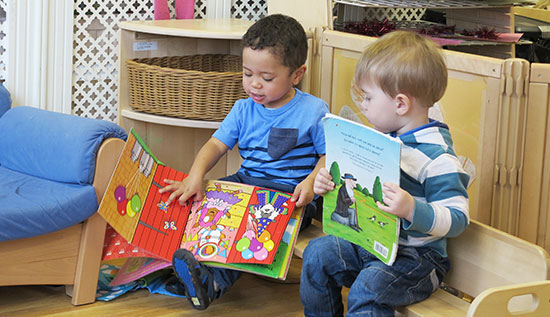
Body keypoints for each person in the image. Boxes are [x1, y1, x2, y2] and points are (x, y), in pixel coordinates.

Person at [159, 14, 329, 310]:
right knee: (205, 202)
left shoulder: (313, 111)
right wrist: (195, 176)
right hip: (247, 181)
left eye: (266, 78)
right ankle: (191, 266)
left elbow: (330, 155)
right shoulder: (242, 109)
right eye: (247, 73)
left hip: (291, 194)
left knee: (251, 227)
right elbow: (215, 145)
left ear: (297, 75)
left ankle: (212, 283)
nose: (254, 85)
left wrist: (311, 182)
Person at [301, 30, 470, 316]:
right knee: (317, 255)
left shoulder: (437, 158)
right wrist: (327, 183)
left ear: (400, 104)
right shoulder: (386, 139)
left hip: (417, 259)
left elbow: (458, 218)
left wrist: (411, 208)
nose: (363, 105)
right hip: (373, 244)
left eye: (367, 97)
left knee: (368, 289)